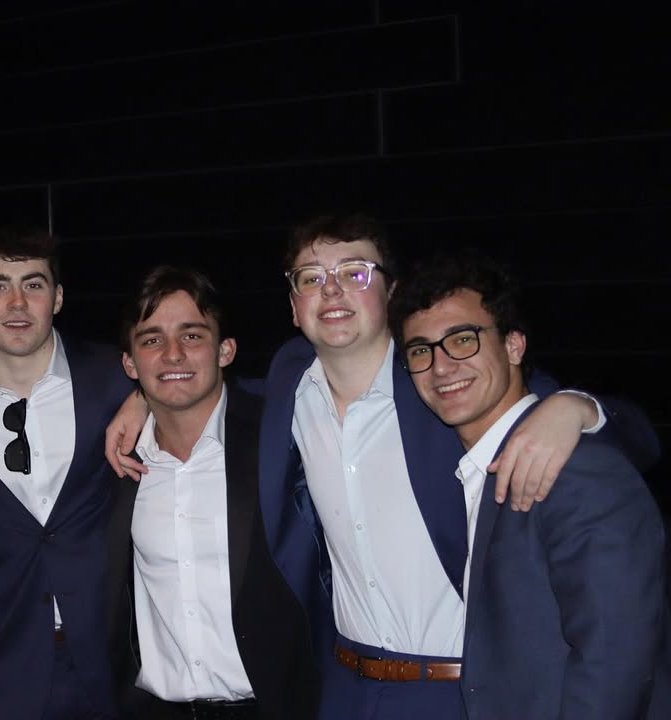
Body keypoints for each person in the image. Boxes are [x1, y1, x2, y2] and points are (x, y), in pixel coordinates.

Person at [106, 214, 659, 719]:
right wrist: (143, 398)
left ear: (390, 293)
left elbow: (607, 430)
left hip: (458, 686)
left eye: (355, 272)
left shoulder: (441, 379)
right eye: (311, 278)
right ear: (293, 306)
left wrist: (579, 407)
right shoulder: (289, 382)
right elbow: (200, 388)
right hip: (344, 684)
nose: (332, 289)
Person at [387, 248, 667, 719]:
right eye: (421, 350)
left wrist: (581, 405)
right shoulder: (476, 468)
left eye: (462, 340)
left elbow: (614, 665)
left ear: (514, 346)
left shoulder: (576, 470)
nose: (441, 366)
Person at [0, 226, 132, 720]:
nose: (17, 302)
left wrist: (146, 397)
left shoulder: (117, 377)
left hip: (114, 661)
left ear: (57, 298)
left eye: (33, 284)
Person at [106, 266, 318, 719]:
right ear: (130, 364)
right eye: (152, 340)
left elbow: (323, 361)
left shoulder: (280, 437)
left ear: (226, 350)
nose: (173, 354)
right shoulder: (116, 462)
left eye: (192, 336)